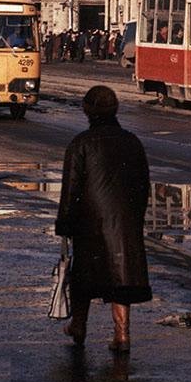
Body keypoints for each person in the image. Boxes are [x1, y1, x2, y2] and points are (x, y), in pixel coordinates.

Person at [56, 86, 151, 352]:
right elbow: (143, 184)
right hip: (123, 222)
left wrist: (65, 223)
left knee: (83, 278)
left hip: (90, 224)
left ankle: (79, 326)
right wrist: (134, 218)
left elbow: (71, 189)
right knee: (121, 279)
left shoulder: (80, 144)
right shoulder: (132, 141)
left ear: (87, 110)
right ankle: (122, 334)